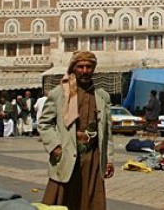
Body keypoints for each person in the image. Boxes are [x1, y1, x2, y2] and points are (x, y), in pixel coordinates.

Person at [39, 51, 114, 210]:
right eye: (81, 66)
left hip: (92, 157)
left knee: (91, 199)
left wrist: (109, 159)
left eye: (89, 67)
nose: (85, 70)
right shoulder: (59, 93)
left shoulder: (102, 96)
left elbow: (107, 132)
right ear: (73, 68)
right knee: (60, 199)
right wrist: (55, 147)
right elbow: (45, 123)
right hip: (66, 153)